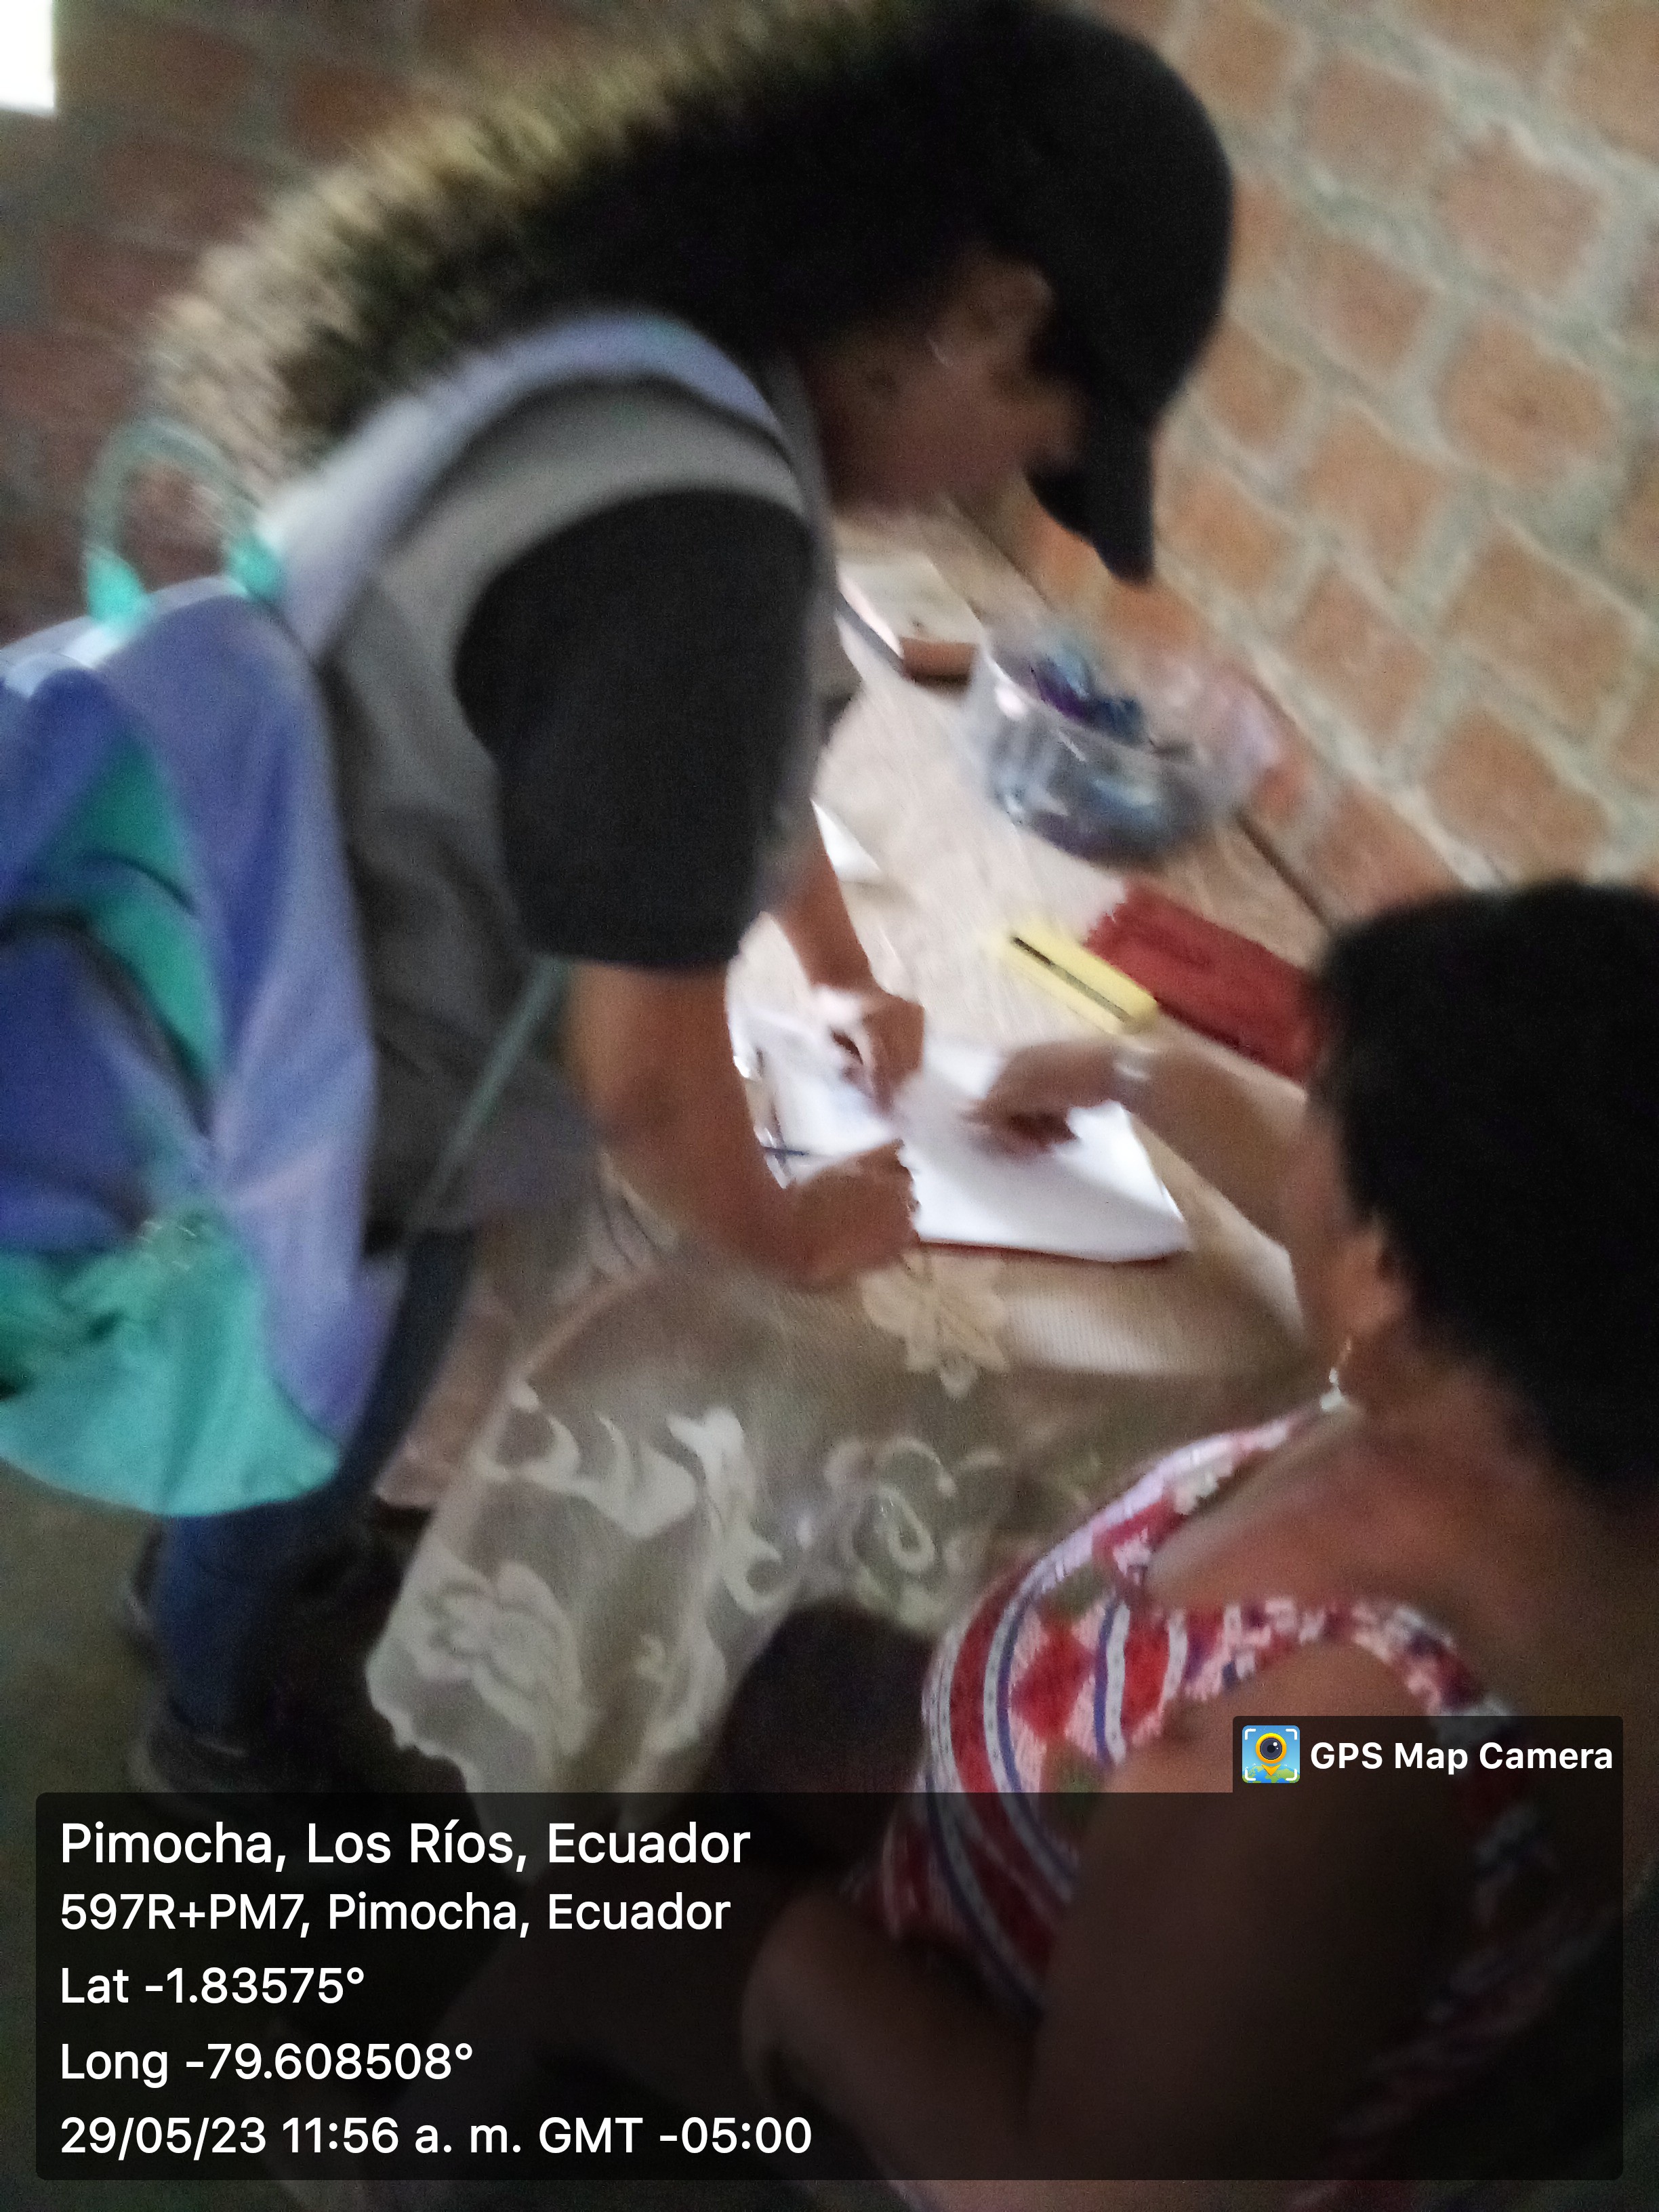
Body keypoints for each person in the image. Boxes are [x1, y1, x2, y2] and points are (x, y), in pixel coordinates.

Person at [122, 0, 1235, 1790]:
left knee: (262, 1401)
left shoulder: (628, 357)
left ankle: (217, 1575)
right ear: (988, 312)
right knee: (303, 1430)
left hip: (268, 979)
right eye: (1034, 433)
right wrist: (795, 1231)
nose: (995, 482)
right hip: (365, 1103)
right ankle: (212, 1715)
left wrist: (838, 962)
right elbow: (644, 1076)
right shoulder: (703, 536)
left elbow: (682, 767)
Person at [728, 881, 1659, 2202]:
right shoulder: (1548, 1414)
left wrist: (803, 1966)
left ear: (1388, 1272)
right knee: (782, 1672)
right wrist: (1136, 1073)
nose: (1295, 1145)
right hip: (1099, 1904)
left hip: (992, 2120)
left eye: (1319, 1113)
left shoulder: (1305, 1761)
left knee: (601, 1932)